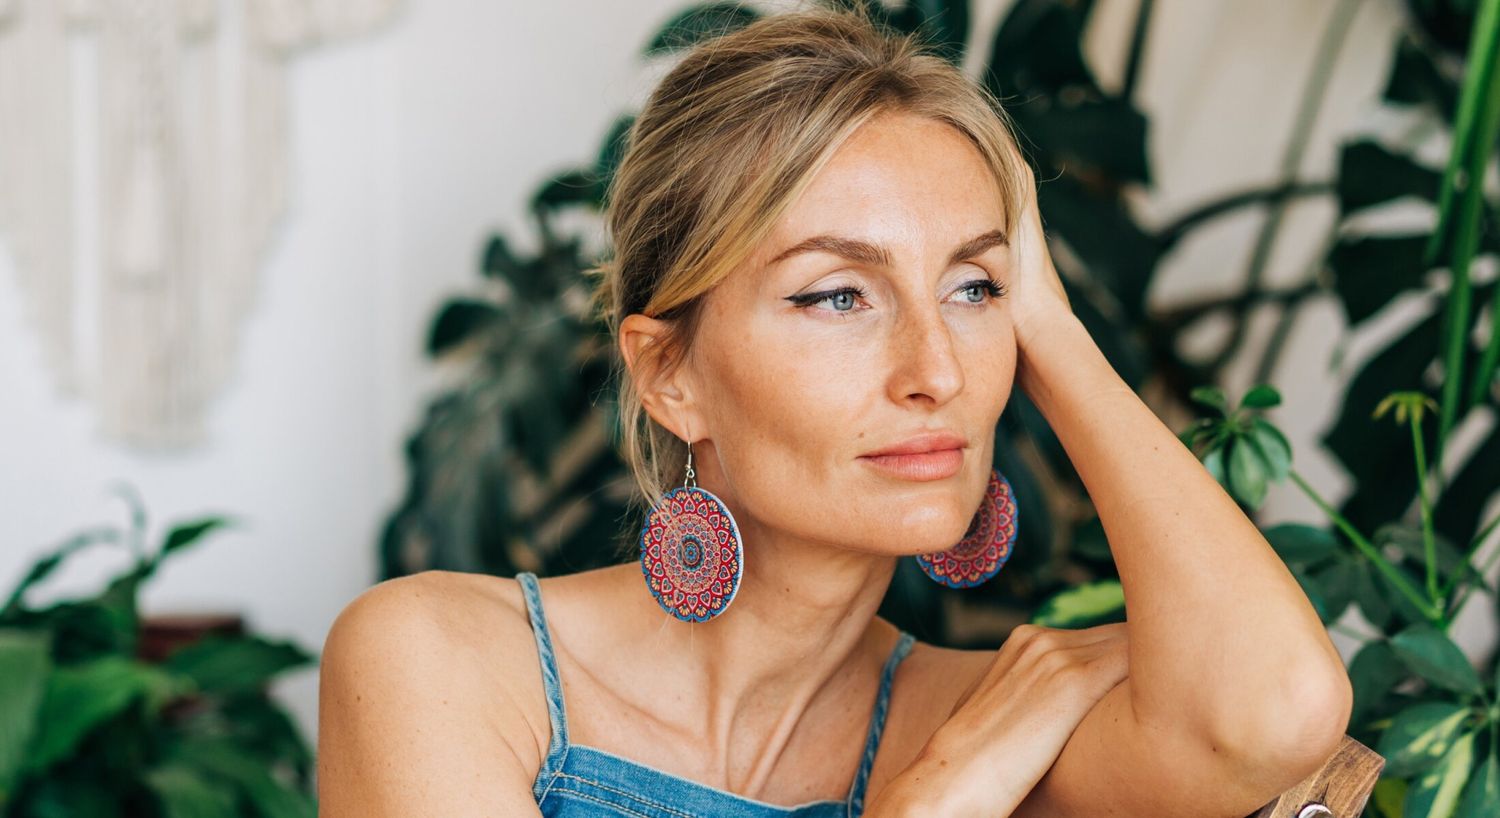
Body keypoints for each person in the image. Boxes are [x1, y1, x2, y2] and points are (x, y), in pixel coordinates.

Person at [317, 7, 1352, 816]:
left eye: (973, 291)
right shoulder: (441, 660)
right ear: (670, 374)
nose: (936, 369)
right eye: (837, 294)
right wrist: (936, 798)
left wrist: (1054, 325)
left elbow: (1275, 712)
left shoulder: (990, 713)